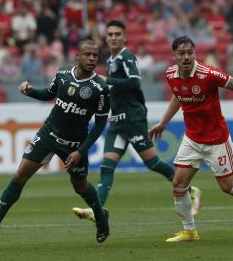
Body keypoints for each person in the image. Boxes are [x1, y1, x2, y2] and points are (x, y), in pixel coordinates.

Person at [0, 39, 111, 243]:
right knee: (19, 175)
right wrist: (31, 91)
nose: (91, 59)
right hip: (48, 135)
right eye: (87, 54)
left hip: (74, 145)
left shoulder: (100, 88)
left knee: (80, 187)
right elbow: (50, 94)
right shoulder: (63, 74)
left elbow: (99, 125)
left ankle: (100, 215)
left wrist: (80, 151)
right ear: (77, 55)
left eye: (94, 55)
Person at [148, 36, 233, 242]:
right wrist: (163, 122)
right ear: (174, 55)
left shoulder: (209, 74)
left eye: (190, 52)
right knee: (178, 183)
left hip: (216, 140)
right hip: (192, 138)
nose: (186, 57)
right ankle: (189, 231)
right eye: (181, 53)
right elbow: (178, 95)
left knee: (228, 187)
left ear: (194, 53)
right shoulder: (171, 74)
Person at [72, 20, 201, 221]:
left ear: (125, 37)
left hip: (133, 119)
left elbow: (134, 82)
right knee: (107, 166)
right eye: (110, 34)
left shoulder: (126, 57)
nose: (113, 37)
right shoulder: (110, 61)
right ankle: (96, 209)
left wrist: (108, 81)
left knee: (153, 163)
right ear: (106, 38)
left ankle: (191, 189)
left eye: (117, 34)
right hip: (116, 121)